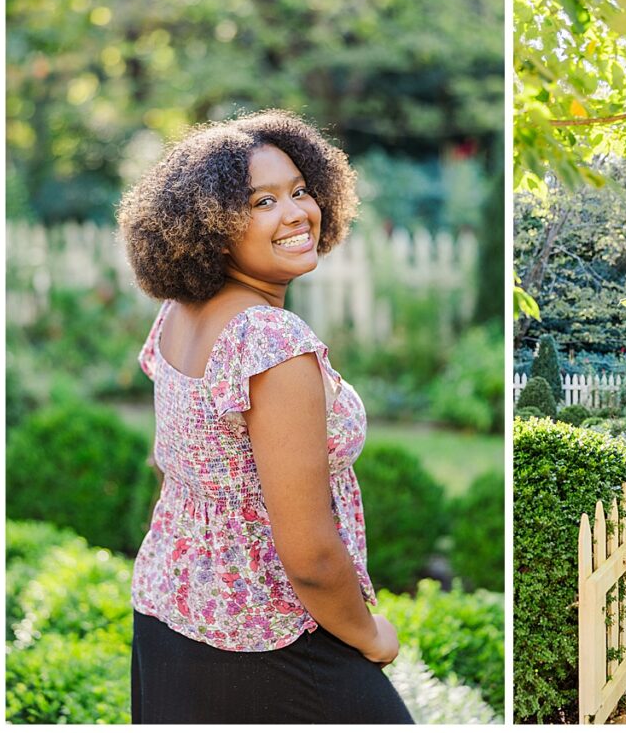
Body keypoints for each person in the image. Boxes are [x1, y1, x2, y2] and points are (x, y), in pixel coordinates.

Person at [117, 110, 414, 723]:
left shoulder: (179, 313)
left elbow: (171, 462)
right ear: (209, 224)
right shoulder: (270, 342)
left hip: (169, 616)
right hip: (270, 640)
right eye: (262, 201)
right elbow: (308, 552)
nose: (296, 213)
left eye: (301, 191)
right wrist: (370, 635)